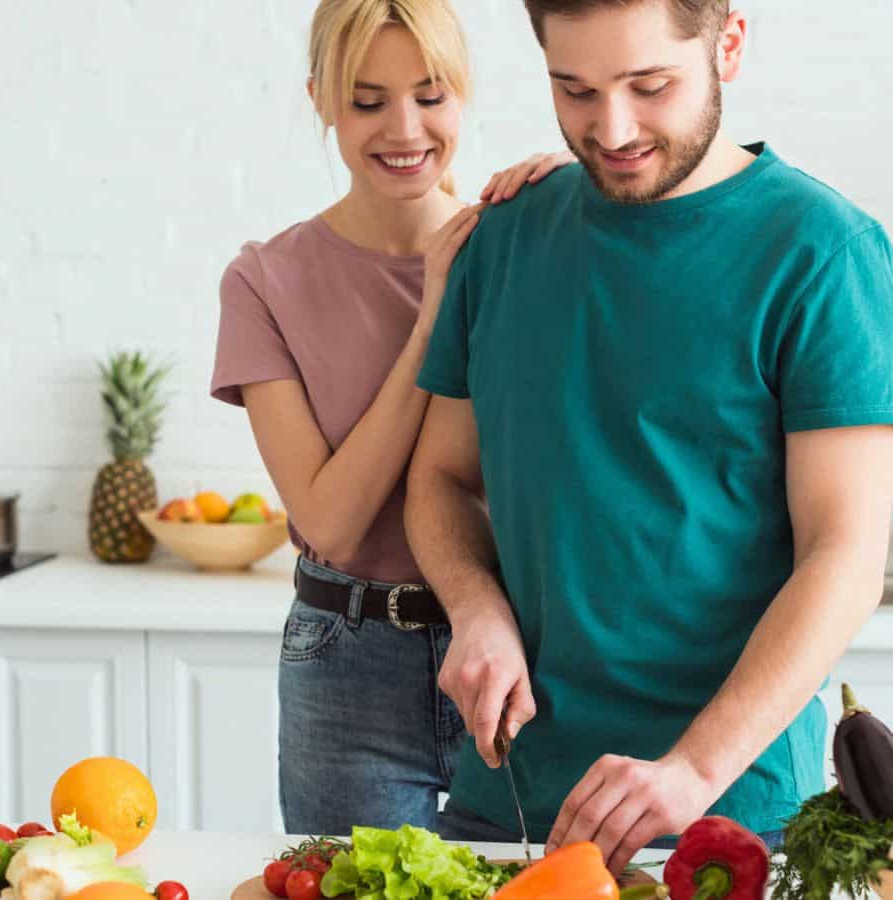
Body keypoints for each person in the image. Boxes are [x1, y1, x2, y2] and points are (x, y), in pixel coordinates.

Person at [406, 0, 893, 870]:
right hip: (510, 806)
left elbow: (845, 558)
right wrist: (475, 609)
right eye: (575, 90)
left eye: (650, 86)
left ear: (729, 42)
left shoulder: (823, 253)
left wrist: (693, 767)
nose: (611, 128)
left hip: (729, 820)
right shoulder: (506, 236)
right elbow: (442, 481)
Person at [210, 0, 570, 834]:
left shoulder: (525, 246)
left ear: (463, 94)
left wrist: (586, 200)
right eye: (367, 101)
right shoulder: (266, 282)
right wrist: (436, 309)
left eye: (430, 94)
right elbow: (329, 519)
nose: (404, 128)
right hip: (348, 663)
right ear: (322, 100)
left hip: (521, 655)